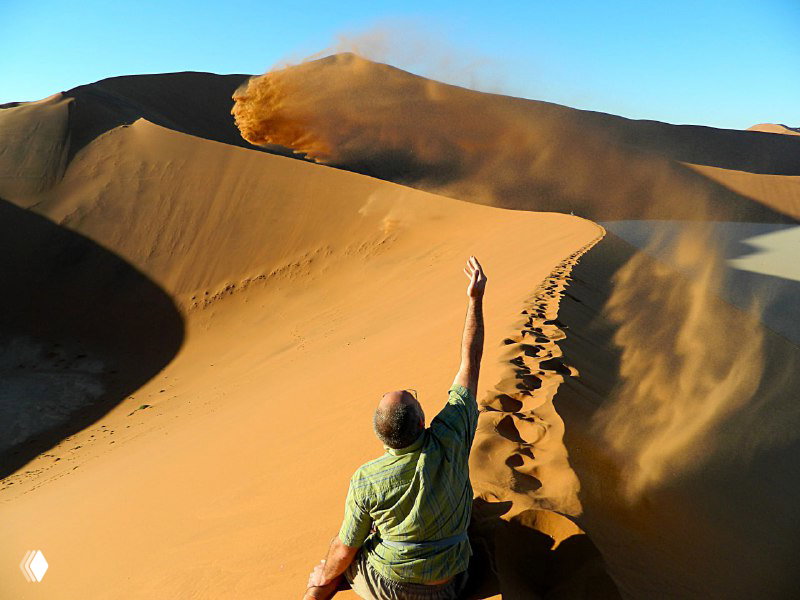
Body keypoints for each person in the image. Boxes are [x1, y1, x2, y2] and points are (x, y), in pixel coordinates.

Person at [303, 256, 487, 600]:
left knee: (339, 551)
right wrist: (475, 300)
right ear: (421, 422)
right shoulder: (450, 438)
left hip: (391, 589)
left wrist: (322, 575)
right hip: (451, 585)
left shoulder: (367, 479)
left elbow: (344, 551)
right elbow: (470, 362)